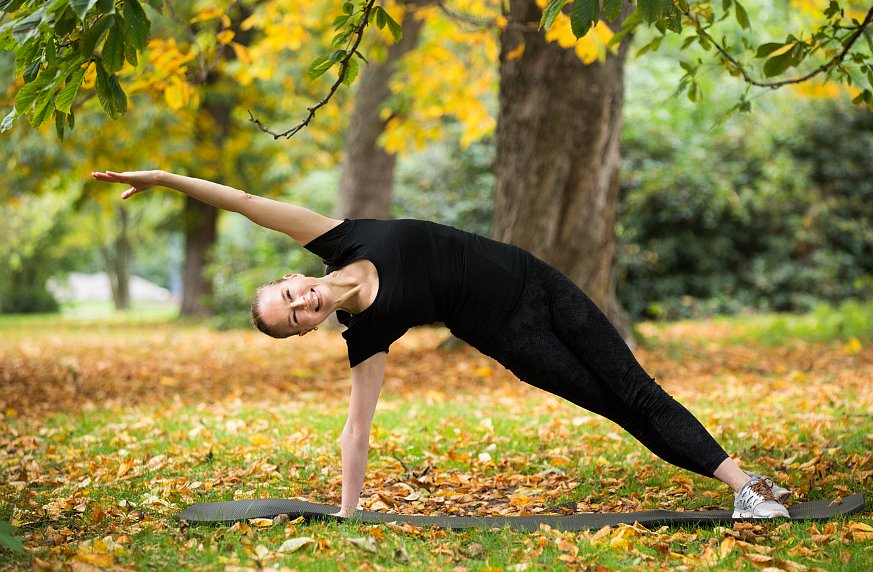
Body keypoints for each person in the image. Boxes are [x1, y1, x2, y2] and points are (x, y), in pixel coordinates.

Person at [92, 169, 792, 519]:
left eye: (290, 296)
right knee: (617, 405)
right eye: (293, 319)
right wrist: (347, 512)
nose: (302, 305)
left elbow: (243, 200)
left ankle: (745, 486)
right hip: (515, 338)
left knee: (636, 386)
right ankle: (745, 490)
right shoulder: (365, 331)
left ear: (291, 276)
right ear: (303, 332)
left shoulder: (336, 234)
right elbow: (357, 427)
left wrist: (161, 178)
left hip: (535, 278)